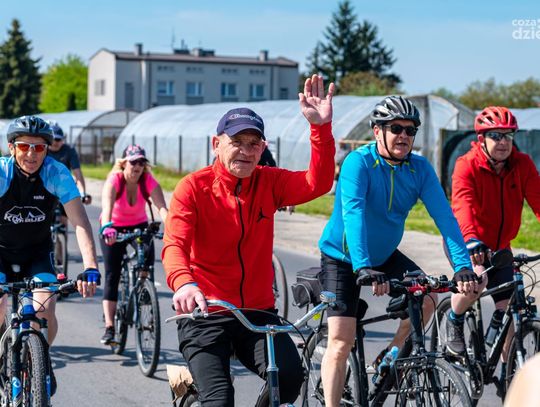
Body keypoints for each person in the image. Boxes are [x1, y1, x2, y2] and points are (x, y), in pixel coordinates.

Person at [162, 74, 335, 406]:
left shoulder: (269, 182)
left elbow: (319, 183)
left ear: (263, 149)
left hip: (257, 313)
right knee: (219, 399)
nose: (245, 151)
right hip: (205, 312)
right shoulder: (193, 188)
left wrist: (320, 128)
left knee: (289, 378)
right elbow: (175, 245)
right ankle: (193, 386)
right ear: (216, 144)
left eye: (254, 143)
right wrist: (184, 283)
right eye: (237, 141)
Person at [317, 95, 475, 407]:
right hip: (343, 257)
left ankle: (389, 358)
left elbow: (445, 219)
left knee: (428, 299)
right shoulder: (358, 163)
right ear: (377, 131)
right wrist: (362, 266)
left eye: (410, 130)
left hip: (385, 255)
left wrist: (462, 267)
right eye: (396, 128)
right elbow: (353, 215)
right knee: (341, 341)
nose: (404, 135)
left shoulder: (419, 168)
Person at [445, 106, 540, 380]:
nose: (503, 142)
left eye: (508, 136)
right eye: (496, 136)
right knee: (475, 281)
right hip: (466, 241)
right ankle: (454, 319)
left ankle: (509, 377)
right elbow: (462, 205)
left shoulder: (522, 164)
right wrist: (471, 240)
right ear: (481, 139)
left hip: (500, 248)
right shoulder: (467, 164)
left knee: (509, 309)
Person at [0, 115, 101, 346]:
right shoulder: (2, 173)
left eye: (39, 147)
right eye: (24, 146)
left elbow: (80, 222)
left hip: (37, 253)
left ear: (47, 149)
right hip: (1, 251)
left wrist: (91, 267)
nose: (31, 154)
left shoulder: (56, 173)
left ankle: (41, 358)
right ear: (11, 148)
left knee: (44, 309)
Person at [99, 144, 168, 345]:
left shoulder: (148, 181)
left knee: (146, 263)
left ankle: (144, 292)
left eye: (141, 162)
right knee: (112, 274)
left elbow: (162, 208)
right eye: (133, 162)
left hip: (139, 226)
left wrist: (173, 227)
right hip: (113, 227)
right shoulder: (115, 180)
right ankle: (110, 327)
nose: (137, 166)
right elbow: (106, 206)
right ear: (123, 164)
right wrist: (107, 228)